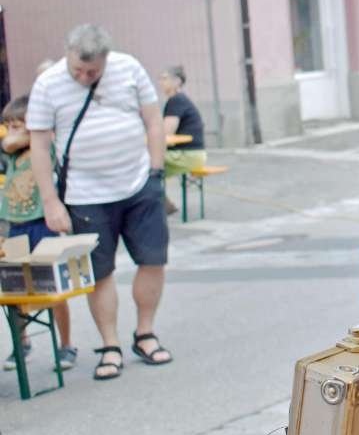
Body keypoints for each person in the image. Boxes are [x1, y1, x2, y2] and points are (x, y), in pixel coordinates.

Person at [27, 24, 174, 380]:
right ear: (67, 53)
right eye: (78, 69)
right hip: (85, 195)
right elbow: (40, 146)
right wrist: (50, 202)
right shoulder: (48, 84)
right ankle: (110, 345)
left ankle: (145, 333)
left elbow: (154, 121)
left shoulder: (129, 67)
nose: (84, 77)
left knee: (152, 260)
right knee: (99, 272)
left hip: (138, 184)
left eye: (92, 72)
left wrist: (156, 172)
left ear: (107, 59)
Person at [1, 96, 77, 372]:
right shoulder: (11, 153)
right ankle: (22, 342)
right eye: (8, 126)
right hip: (16, 226)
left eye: (17, 126)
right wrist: (15, 135)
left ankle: (66, 344)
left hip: (42, 224)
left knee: (52, 288)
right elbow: (8, 144)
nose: (10, 132)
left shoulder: (44, 148)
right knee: (15, 288)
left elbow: (38, 141)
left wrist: (31, 133)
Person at [159, 66, 207, 215]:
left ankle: (162, 205)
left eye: (165, 78)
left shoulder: (176, 100)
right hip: (192, 154)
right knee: (146, 168)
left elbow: (166, 134)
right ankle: (163, 204)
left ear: (177, 81)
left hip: (187, 155)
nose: (161, 82)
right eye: (160, 79)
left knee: (144, 167)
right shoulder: (179, 100)